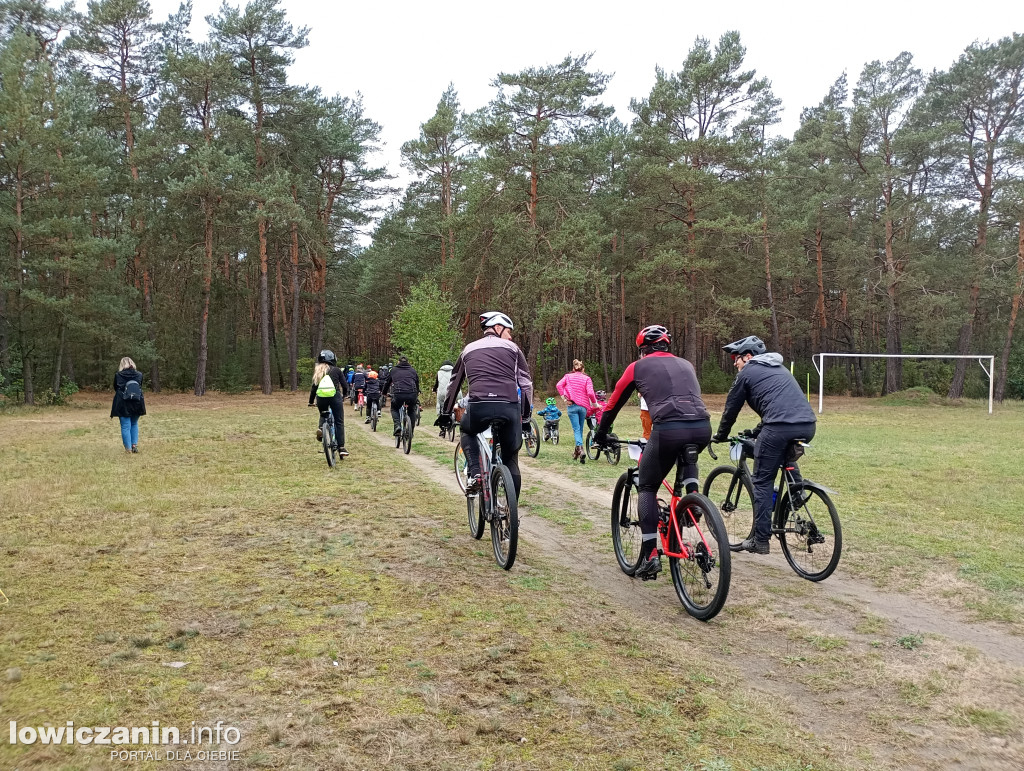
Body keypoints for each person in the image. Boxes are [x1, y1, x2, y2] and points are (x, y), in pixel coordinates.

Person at [593, 325, 712, 581]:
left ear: (643, 349)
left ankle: (649, 556)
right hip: (702, 426)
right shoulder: (686, 364)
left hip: (668, 428)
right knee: (687, 456)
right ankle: (693, 501)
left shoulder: (637, 367)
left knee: (647, 486)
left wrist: (601, 434)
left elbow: (613, 404)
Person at [712, 335, 817, 555]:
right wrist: (756, 432)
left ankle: (760, 540)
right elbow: (779, 407)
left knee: (762, 481)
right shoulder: (779, 369)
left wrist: (721, 435)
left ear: (748, 357)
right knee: (780, 456)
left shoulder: (748, 372)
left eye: (737, 358)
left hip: (779, 427)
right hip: (807, 425)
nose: (735, 363)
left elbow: (731, 408)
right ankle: (795, 496)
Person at [437, 311, 534, 499]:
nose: (510, 336)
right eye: (508, 331)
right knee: (511, 459)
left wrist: (445, 412)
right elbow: (526, 384)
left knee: (467, 431)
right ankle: (509, 508)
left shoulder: (468, 350)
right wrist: (526, 417)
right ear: (497, 328)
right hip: (509, 407)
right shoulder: (513, 349)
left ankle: (476, 474)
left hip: (479, 406)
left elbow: (454, 382)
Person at [557, 359, 600, 464]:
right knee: (579, 429)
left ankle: (580, 449)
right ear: (583, 369)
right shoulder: (587, 378)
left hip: (572, 406)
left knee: (576, 429)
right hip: (583, 407)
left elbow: (559, 385)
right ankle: (576, 452)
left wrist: (565, 399)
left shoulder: (568, 376)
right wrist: (595, 404)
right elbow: (590, 393)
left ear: (573, 369)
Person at [308, 350, 349, 457]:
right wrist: (344, 395)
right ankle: (341, 447)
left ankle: (321, 429)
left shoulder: (318, 371)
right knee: (339, 421)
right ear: (333, 359)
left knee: (323, 414)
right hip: (335, 397)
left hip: (321, 399)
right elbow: (345, 386)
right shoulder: (337, 370)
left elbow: (314, 388)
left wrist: (311, 402)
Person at [111, 357, 146, 453]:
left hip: (123, 402)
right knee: (134, 424)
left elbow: (116, 387)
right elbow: (140, 386)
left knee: (125, 426)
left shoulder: (118, 375)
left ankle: (128, 448)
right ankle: (134, 445)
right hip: (137, 402)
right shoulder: (139, 374)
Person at [384, 355, 420, 437]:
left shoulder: (394, 370)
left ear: (398, 362)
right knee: (411, 410)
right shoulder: (412, 370)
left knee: (394, 408)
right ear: (408, 362)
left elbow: (387, 382)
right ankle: (411, 431)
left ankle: (397, 426)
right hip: (412, 393)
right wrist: (417, 392)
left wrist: (384, 393)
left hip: (399, 393)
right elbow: (417, 382)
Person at [434, 360, 455, 432]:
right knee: (455, 404)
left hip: (442, 393)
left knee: (441, 407)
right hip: (454, 392)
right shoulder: (455, 372)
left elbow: (437, 384)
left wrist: (434, 390)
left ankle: (442, 426)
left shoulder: (439, 373)